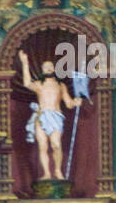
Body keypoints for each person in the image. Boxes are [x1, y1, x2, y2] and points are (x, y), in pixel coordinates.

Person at [18, 49, 81, 181]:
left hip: (56, 115)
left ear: (54, 69)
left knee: (56, 144)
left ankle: (58, 171)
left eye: (50, 66)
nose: (48, 68)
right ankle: (46, 173)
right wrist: (25, 63)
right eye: (45, 67)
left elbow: (68, 103)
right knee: (43, 146)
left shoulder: (60, 85)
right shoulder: (39, 85)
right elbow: (26, 83)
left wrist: (75, 102)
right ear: (42, 70)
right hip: (41, 116)